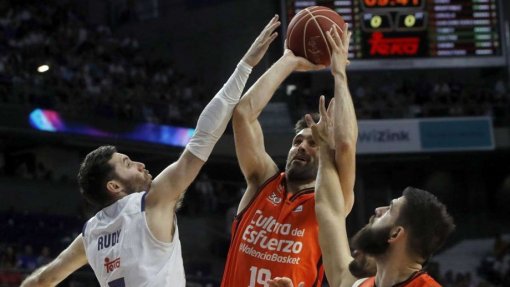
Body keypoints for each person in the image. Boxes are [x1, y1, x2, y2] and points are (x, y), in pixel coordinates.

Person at [20, 15, 281, 287]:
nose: (140, 164)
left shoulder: (91, 234)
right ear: (114, 185)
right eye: (127, 163)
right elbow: (203, 136)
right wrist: (245, 65)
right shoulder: (150, 203)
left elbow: (40, 281)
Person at [269, 35, 456, 287]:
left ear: (396, 234)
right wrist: (338, 75)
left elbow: (346, 147)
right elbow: (328, 212)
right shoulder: (363, 284)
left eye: (389, 209)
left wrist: (341, 77)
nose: (377, 210)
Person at [221, 23, 357, 286]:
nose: (302, 146)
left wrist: (339, 74)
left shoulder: (329, 201)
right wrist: (288, 61)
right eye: (297, 141)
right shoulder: (263, 181)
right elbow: (243, 115)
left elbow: (346, 145)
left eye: (313, 143)